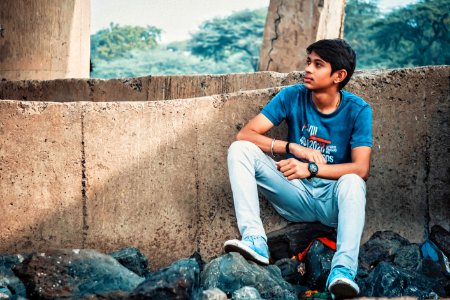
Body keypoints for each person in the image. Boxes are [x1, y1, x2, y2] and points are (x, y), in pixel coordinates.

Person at [223, 39, 372, 298]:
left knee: (353, 182)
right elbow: (245, 134)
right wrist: (292, 147)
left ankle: (343, 272)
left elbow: (361, 169)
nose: (308, 70)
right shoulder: (292, 96)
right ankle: (255, 241)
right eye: (308, 62)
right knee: (240, 150)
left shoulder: (357, 110)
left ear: (339, 75)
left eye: (318, 64)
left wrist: (311, 169)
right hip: (295, 194)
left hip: (332, 202)